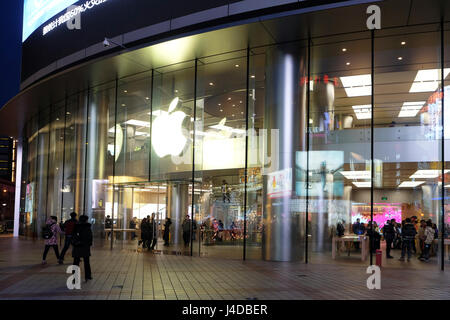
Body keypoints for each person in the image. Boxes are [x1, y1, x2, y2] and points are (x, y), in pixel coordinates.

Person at [72, 215, 93, 282]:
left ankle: (74, 278)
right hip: (85, 246)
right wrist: (89, 244)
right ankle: (87, 276)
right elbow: (90, 237)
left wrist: (74, 243)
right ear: (86, 220)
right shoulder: (87, 227)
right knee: (86, 262)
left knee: (76, 262)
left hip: (77, 246)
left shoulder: (76, 226)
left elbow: (73, 236)